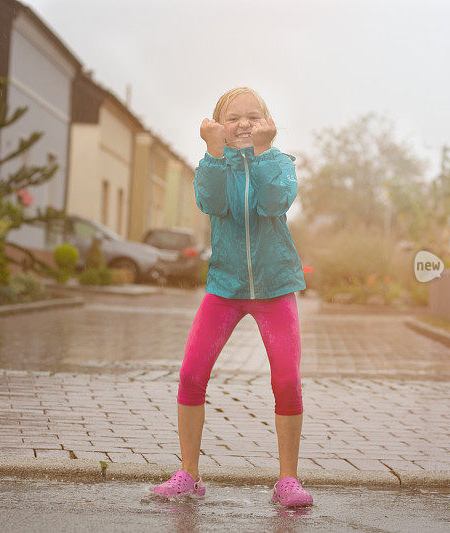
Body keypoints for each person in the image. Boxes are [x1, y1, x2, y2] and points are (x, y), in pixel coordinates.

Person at [150, 87, 313, 508]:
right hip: (225, 288)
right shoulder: (214, 164)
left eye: (253, 116)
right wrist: (213, 151)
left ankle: (288, 481)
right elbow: (211, 201)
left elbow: (275, 204)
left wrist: (261, 153)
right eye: (234, 117)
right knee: (190, 375)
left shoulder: (279, 163)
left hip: (275, 287)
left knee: (287, 381)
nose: (244, 123)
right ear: (219, 125)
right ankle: (188, 474)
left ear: (268, 122)